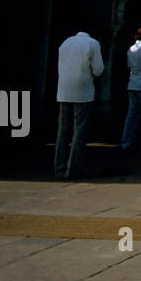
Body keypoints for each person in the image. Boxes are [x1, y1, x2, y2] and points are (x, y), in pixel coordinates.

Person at [54, 29, 104, 179]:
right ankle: (73, 169)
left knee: (62, 131)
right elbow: (98, 70)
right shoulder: (92, 43)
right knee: (79, 132)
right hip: (83, 91)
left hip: (63, 90)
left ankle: (59, 168)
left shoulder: (66, 43)